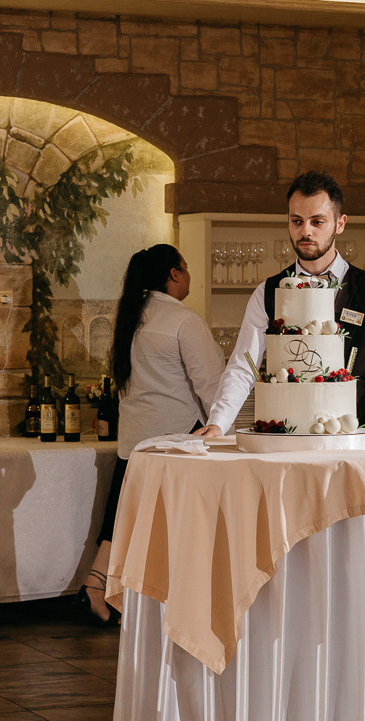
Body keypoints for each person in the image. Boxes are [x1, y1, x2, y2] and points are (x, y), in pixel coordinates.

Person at [197, 171, 365, 439]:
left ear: (340, 223)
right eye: (297, 221)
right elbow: (242, 366)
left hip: (354, 443)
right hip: (281, 441)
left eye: (317, 221)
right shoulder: (267, 292)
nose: (305, 231)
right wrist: (219, 422)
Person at [75, 244, 224, 623]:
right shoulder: (182, 321)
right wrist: (229, 433)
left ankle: (98, 584)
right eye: (186, 268)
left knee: (124, 517)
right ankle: (155, 604)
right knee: (167, 529)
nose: (189, 275)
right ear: (174, 274)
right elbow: (212, 386)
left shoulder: (131, 319)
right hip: (176, 439)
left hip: (135, 439)